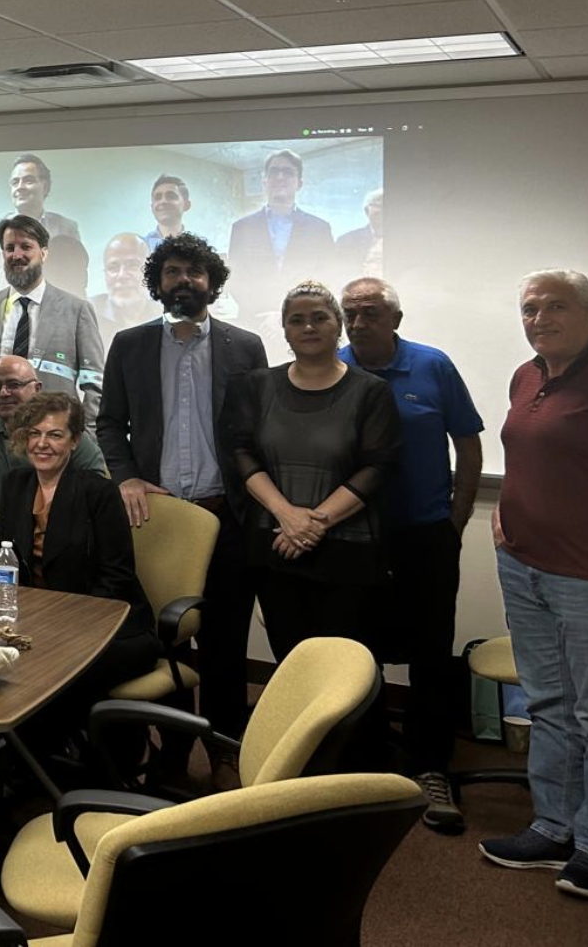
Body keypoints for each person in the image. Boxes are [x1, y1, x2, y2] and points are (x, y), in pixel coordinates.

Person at [97, 233, 269, 789]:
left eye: (195, 272)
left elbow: (257, 431)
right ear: (158, 282)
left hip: (226, 518)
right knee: (162, 640)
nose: (184, 281)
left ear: (212, 283)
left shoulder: (246, 347)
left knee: (225, 641)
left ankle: (223, 750)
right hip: (157, 521)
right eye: (172, 271)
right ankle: (172, 749)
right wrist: (126, 477)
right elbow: (109, 424)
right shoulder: (129, 344)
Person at [338, 277, 483, 833]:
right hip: (354, 538)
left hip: (425, 534)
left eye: (371, 312)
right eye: (350, 312)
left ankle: (431, 767)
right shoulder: (334, 367)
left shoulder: (432, 366)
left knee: (430, 652)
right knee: (359, 650)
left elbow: (467, 443)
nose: (358, 323)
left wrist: (457, 518)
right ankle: (369, 762)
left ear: (396, 319)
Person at [479, 269, 588, 897]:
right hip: (524, 566)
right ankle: (554, 827)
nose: (540, 318)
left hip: (585, 576)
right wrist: (503, 515)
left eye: (557, 306)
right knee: (548, 703)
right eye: (529, 308)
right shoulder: (527, 375)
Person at [0, 393, 159, 744]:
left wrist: (64, 624)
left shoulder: (98, 492)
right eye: (35, 433)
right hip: (40, 620)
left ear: (74, 440)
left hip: (111, 626)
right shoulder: (15, 485)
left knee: (53, 671)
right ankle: (0, 750)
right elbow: (6, 559)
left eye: (55, 435)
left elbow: (116, 576)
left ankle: (62, 758)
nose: (42, 444)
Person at [224, 282, 400, 667]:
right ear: (285, 331)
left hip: (348, 553)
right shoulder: (257, 386)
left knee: (344, 669)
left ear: (338, 325)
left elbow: (377, 466)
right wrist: (287, 515)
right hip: (276, 547)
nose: (308, 327)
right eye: (296, 320)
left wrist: (313, 524)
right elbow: (241, 454)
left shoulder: (371, 391)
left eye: (319, 318)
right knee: (292, 665)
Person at [0, 214, 106, 434]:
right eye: (9, 248)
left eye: (26, 247)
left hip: (51, 435)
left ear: (44, 253)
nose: (17, 255)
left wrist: (86, 437)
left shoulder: (76, 310)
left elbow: (95, 384)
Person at [0, 354, 106, 560]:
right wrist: (4, 520)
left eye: (14, 384)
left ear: (37, 388)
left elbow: (96, 503)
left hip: (66, 559)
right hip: (5, 556)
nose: (3, 393)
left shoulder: (68, 438)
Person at [227, 150, 336, 322]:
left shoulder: (320, 229)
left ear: (299, 183)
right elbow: (235, 277)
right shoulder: (241, 227)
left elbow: (327, 276)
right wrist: (264, 315)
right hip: (254, 321)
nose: (280, 177)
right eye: (274, 172)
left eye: (288, 172)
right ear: (265, 181)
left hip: (304, 321)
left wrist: (286, 315)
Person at [0, 154, 83, 297]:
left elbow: (75, 277)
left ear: (45, 187)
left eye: (28, 180)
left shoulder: (66, 228)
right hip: (4, 308)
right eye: (15, 182)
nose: (20, 187)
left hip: (51, 309)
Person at [91, 232, 161, 341]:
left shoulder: (162, 315)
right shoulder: (88, 313)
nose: (122, 276)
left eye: (132, 265)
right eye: (113, 268)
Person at [336, 189, 384, 277]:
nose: (383, 211)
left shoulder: (406, 241)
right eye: (379, 205)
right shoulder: (346, 241)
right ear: (367, 211)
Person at [143, 174, 193, 251]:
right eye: (158, 197)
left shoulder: (200, 247)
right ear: (152, 207)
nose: (163, 201)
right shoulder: (141, 247)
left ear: (186, 205)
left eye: (171, 196)